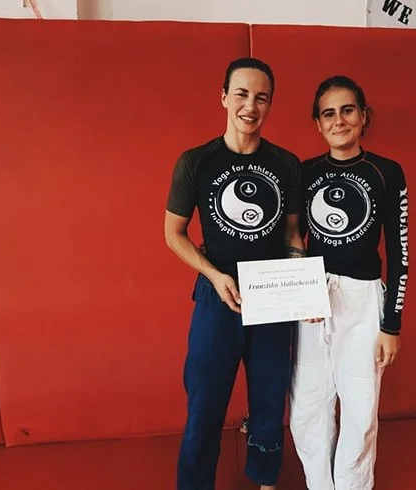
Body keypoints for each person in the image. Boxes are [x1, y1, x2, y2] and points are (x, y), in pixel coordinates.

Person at [164, 57, 306, 490]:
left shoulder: (286, 164)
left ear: (270, 104)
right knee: (204, 406)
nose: (250, 106)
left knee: (270, 403)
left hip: (272, 297)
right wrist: (213, 274)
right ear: (224, 97)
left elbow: (293, 234)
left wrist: (302, 290)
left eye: (261, 98)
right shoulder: (195, 161)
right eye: (241, 94)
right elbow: (173, 234)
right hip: (218, 295)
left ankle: (266, 482)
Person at [290, 75, 409, 490]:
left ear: (363, 116)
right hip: (313, 299)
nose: (338, 120)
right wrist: (300, 292)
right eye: (328, 114)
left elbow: (400, 252)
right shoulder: (305, 172)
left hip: (362, 301)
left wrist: (391, 324)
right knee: (307, 407)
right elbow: (293, 237)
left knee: (360, 410)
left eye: (347, 110)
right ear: (318, 124)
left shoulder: (387, 172)